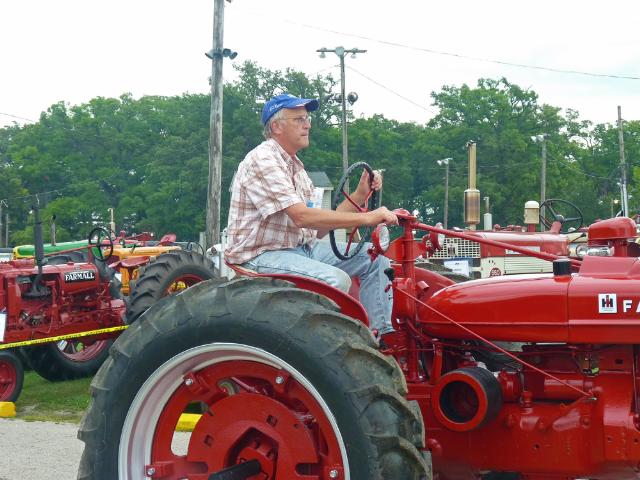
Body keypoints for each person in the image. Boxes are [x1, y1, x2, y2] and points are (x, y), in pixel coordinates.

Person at [225, 93, 398, 334]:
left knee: (375, 259)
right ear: (276, 126)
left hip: (302, 250)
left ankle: (381, 337)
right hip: (260, 256)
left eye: (307, 119)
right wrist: (368, 217)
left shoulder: (296, 167)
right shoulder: (263, 160)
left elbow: (317, 229)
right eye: (299, 119)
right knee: (335, 280)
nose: (307, 124)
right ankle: (334, 352)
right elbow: (301, 216)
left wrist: (359, 195)